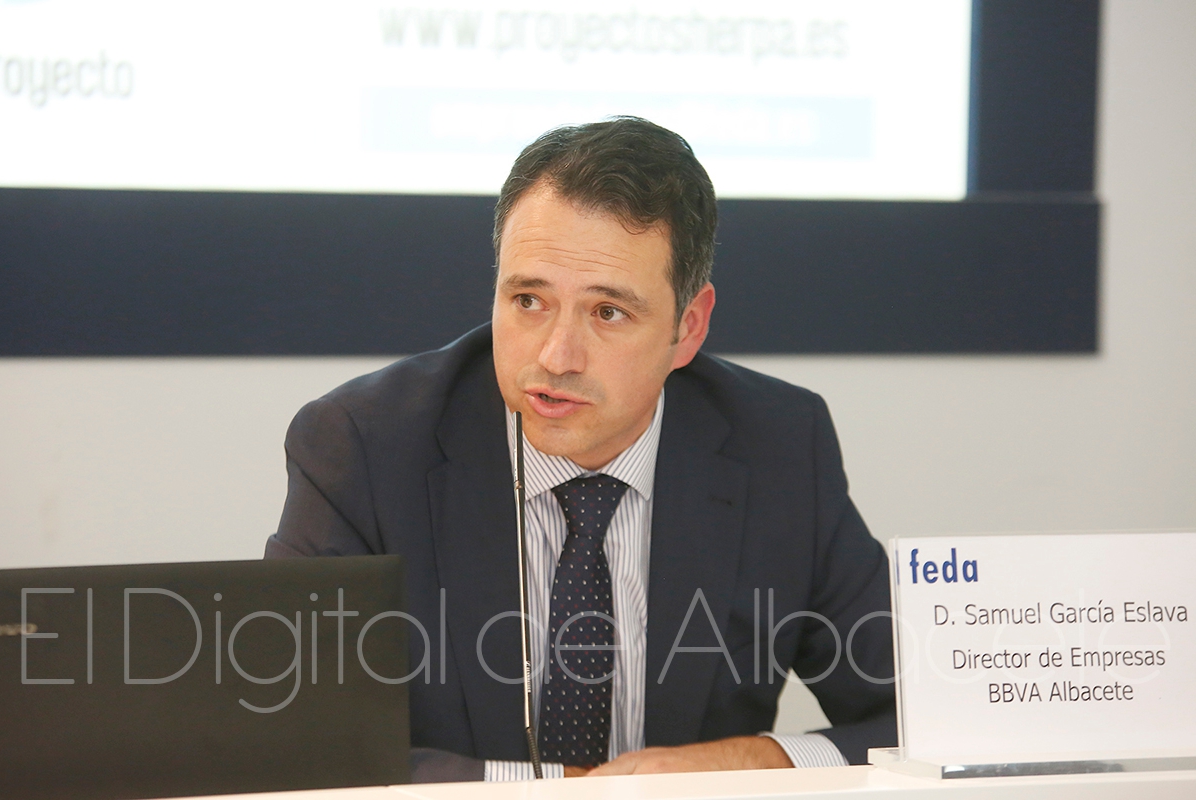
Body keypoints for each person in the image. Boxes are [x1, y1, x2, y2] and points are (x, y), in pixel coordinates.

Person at [265, 116, 895, 782]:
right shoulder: (362, 446)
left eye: (607, 312)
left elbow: (927, 711)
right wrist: (562, 793)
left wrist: (749, 763)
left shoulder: (778, 448)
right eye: (528, 300)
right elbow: (293, 734)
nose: (555, 356)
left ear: (688, 327)